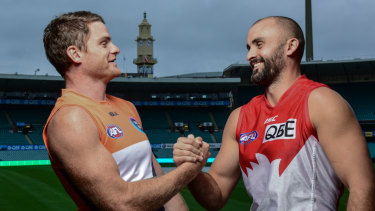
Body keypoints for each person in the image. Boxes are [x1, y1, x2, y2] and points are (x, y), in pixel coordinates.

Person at [173, 16, 375, 210]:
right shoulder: (239, 118)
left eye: (259, 44)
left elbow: (363, 187)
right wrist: (192, 168)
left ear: (290, 46)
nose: (249, 55)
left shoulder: (321, 102)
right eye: (249, 47)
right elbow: (215, 195)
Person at [42, 11, 210, 210]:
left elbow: (157, 178)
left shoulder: (126, 107)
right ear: (75, 54)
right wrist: (191, 168)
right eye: (104, 43)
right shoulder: (71, 118)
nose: (116, 49)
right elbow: (120, 203)